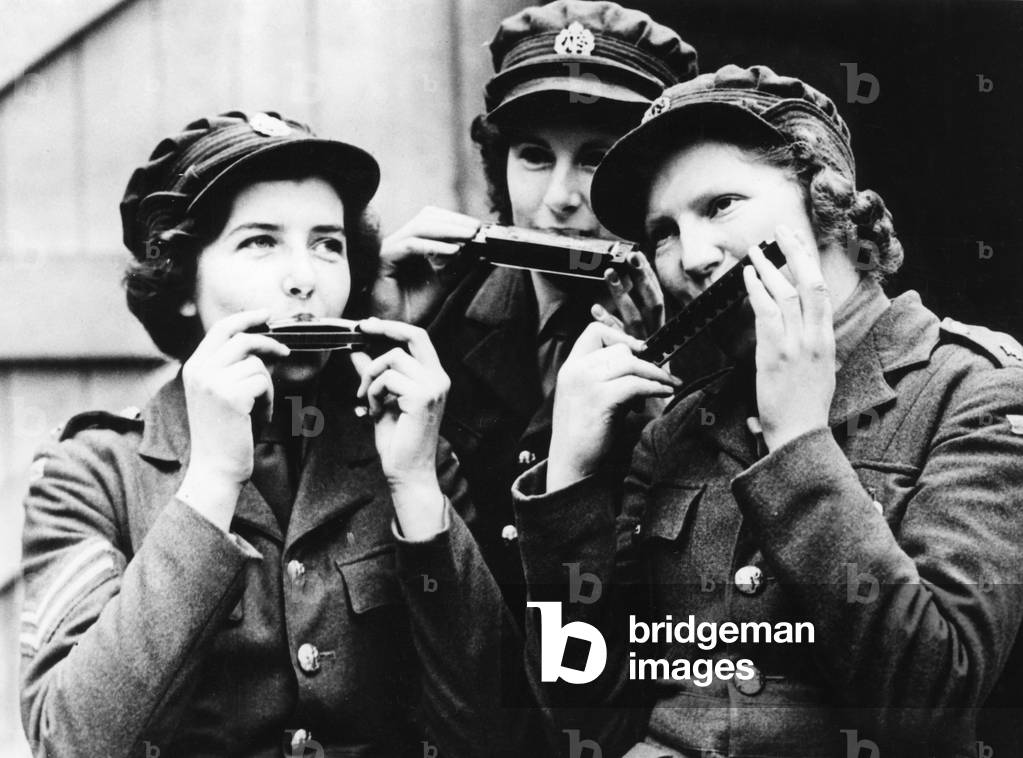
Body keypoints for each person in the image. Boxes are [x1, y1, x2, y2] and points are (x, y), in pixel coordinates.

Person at [512, 65, 1023, 757]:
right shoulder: (675, 427)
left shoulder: (973, 391)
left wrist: (798, 441)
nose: (689, 258)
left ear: (827, 204)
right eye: (662, 231)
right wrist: (568, 483)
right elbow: (585, 720)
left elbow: (927, 704)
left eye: (719, 205)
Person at [19, 111, 521, 758]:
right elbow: (71, 744)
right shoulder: (90, 474)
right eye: (260, 241)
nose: (303, 277)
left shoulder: (407, 447)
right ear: (180, 284)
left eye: (327, 244)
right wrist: (208, 488)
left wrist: (417, 488)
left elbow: (500, 737)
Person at [372, 0, 698, 614]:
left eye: (598, 158)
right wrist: (376, 317)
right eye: (535, 155)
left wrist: (665, 413)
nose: (559, 199)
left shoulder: (709, 329)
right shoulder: (436, 308)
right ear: (501, 164)